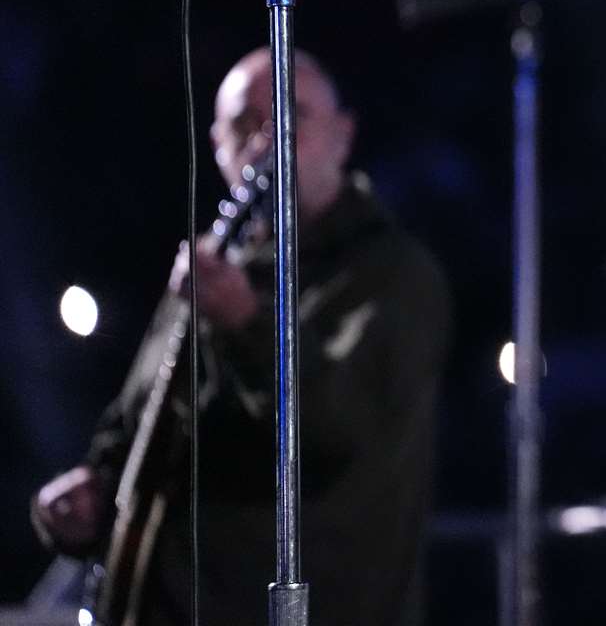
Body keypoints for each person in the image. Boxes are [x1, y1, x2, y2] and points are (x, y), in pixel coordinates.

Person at [31, 48, 451, 626]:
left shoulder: (394, 276)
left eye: (291, 116)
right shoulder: (213, 264)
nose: (266, 141)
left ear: (343, 135)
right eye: (245, 124)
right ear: (217, 145)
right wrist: (94, 493)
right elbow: (141, 418)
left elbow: (335, 427)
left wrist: (247, 322)